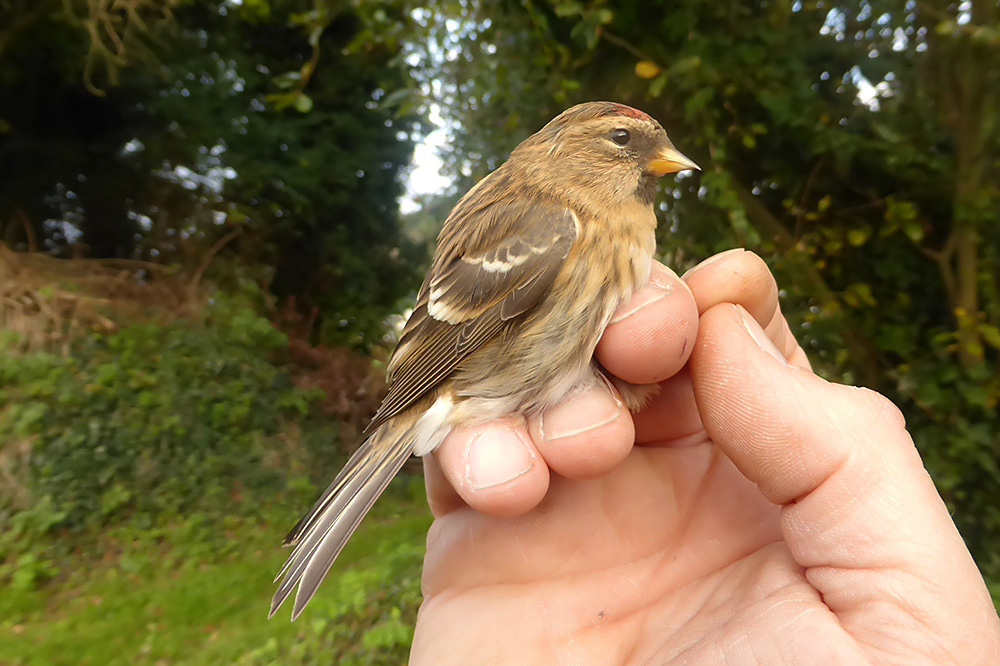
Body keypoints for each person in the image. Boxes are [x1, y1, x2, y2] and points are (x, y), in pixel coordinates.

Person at [409, 249, 1000, 664]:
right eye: (621, 144)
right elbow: (453, 329)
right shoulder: (550, 218)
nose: (657, 159)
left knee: (648, 344)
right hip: (464, 376)